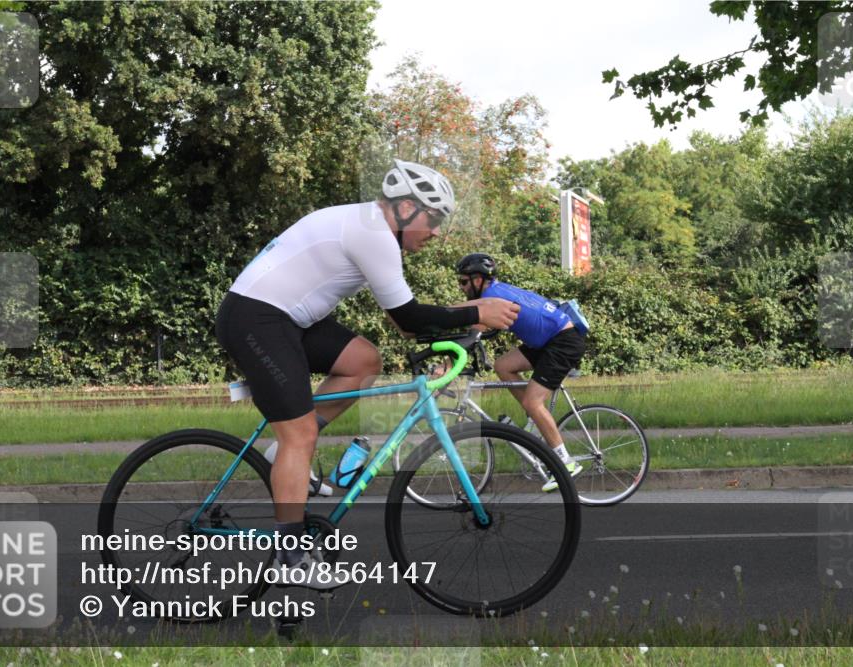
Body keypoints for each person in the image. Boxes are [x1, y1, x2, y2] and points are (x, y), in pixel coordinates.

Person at [215, 160, 520, 589]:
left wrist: (466, 325)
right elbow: (411, 318)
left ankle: (279, 456)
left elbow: (405, 324)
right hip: (257, 319)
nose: (436, 232)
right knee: (299, 433)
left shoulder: (370, 228)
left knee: (362, 361)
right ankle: (291, 557)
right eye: (433, 219)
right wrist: (477, 311)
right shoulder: (373, 232)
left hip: (285, 320)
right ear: (408, 208)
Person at [454, 253, 587, 492]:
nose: (461, 287)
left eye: (463, 282)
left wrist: (446, 365)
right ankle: (534, 423)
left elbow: (472, 335)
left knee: (533, 402)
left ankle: (566, 462)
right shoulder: (494, 291)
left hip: (562, 341)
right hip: (547, 341)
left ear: (478, 279)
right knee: (503, 366)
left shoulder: (491, 297)